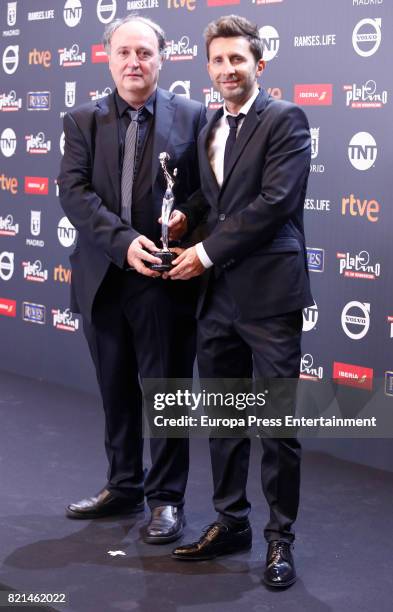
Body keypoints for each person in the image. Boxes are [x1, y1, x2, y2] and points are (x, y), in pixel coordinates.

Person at [167, 15, 313, 587]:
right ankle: (232, 522)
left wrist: (202, 253)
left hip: (269, 294)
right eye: (219, 60)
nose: (228, 70)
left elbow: (274, 203)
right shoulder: (207, 124)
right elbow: (214, 196)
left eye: (238, 60)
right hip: (217, 298)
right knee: (225, 419)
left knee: (276, 425)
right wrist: (187, 218)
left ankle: (280, 541)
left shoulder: (286, 120)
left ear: (259, 64)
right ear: (208, 67)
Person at [58, 14, 206, 544]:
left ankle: (166, 499)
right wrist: (123, 243)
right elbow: (73, 193)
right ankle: (123, 485)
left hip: (165, 281)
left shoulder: (193, 116)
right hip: (103, 277)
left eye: (144, 52)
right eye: (124, 53)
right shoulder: (82, 120)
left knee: (165, 392)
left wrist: (186, 216)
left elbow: (205, 192)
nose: (134, 62)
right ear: (108, 58)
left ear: (162, 58)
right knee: (115, 390)